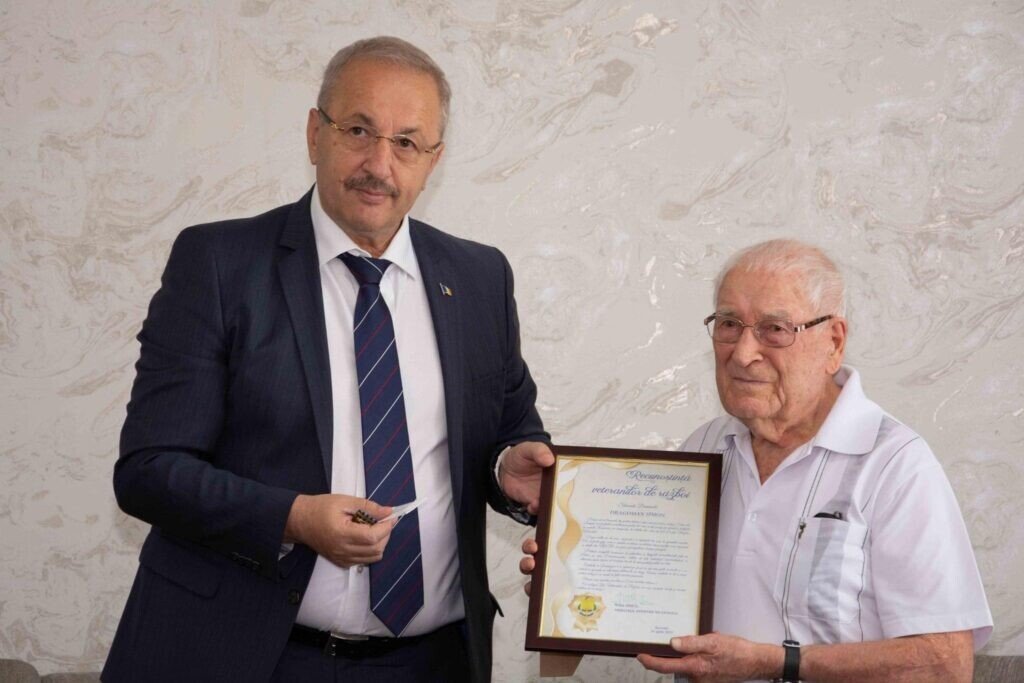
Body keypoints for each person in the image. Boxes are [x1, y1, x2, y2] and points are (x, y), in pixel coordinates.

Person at [104, 36, 553, 683]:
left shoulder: (479, 276)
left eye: (407, 142)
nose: (379, 163)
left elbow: (508, 429)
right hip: (251, 657)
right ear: (316, 133)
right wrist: (294, 518)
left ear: (434, 160)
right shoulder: (221, 264)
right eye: (359, 130)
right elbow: (148, 470)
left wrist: (507, 465)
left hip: (436, 663)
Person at [522, 239, 991, 682]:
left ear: (833, 342)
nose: (744, 354)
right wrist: (567, 579)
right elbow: (645, 594)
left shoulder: (894, 465)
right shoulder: (702, 449)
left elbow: (945, 666)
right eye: (729, 324)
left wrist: (777, 663)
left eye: (775, 329)